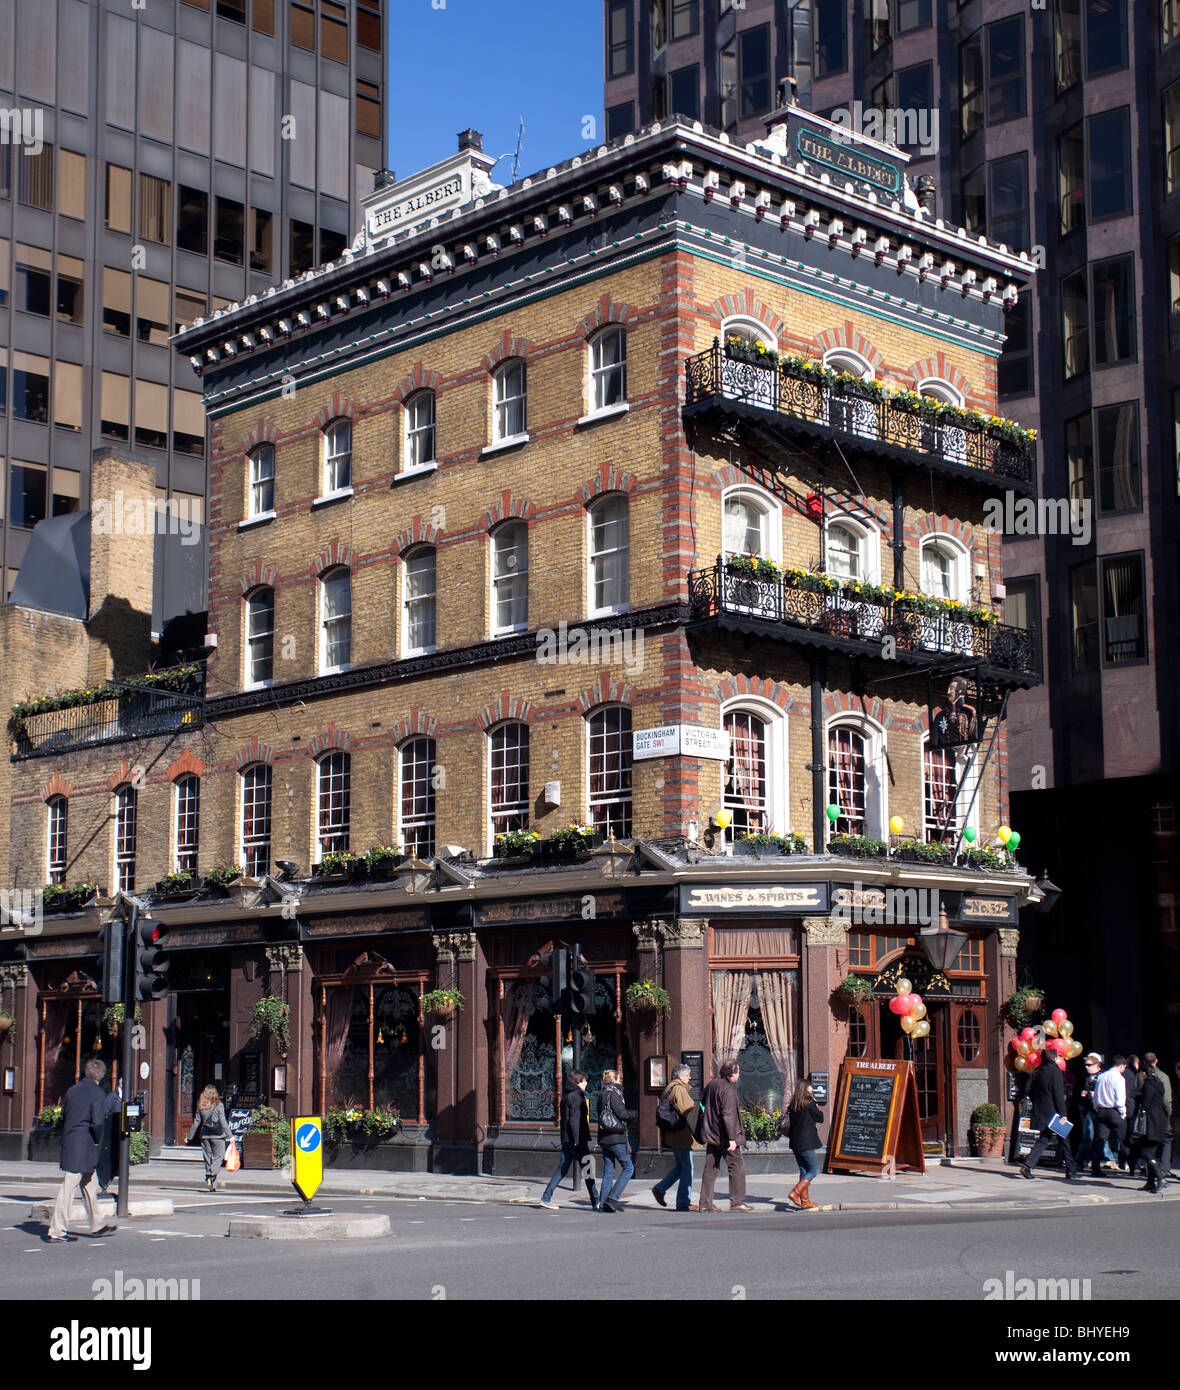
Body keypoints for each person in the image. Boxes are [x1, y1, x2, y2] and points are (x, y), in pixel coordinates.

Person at [47, 1057, 118, 1242]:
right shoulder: (97, 1093)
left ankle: (97, 1224)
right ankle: (57, 1230)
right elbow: (98, 1122)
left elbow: (63, 1115)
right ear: (102, 1075)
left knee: (89, 1183)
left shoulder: (72, 1090)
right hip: (84, 1144)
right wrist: (98, 1142)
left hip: (71, 1142)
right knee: (69, 1187)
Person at [538, 1070, 599, 1211]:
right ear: (578, 1082)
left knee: (562, 1169)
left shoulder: (566, 1096)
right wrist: (577, 1140)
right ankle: (596, 1201)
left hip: (566, 1139)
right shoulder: (577, 1097)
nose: (586, 1083)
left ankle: (546, 1197)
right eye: (584, 1080)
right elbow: (574, 1120)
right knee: (588, 1171)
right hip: (577, 1140)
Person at [699, 1059, 753, 1212]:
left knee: (710, 1168)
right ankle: (737, 1202)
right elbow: (728, 1114)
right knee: (737, 1166)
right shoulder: (728, 1089)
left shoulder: (711, 1085)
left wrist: (707, 1124)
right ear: (731, 1073)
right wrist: (732, 1139)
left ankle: (705, 1203)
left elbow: (702, 1106)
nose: (739, 1075)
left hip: (712, 1134)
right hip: (725, 1136)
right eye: (738, 1072)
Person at [1019, 1057, 1079, 1181]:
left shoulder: (1036, 1071)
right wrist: (1063, 1114)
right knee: (1064, 1140)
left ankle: (1027, 1166)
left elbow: (1028, 1089)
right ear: (1054, 1058)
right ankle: (1070, 1171)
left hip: (1042, 1112)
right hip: (1055, 1114)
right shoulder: (1055, 1071)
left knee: (1043, 1140)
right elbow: (1058, 1094)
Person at [651, 1063, 700, 1212]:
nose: (690, 1078)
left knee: (681, 1167)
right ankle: (683, 1202)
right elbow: (688, 1109)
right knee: (687, 1168)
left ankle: (660, 1189)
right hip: (682, 1134)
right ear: (680, 1076)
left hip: (673, 1134)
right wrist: (702, 1108)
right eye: (687, 1075)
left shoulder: (669, 1088)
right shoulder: (679, 1089)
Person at [1129, 1052, 1171, 1194]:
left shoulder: (1148, 1085)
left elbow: (1145, 1105)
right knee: (1152, 1152)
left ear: (1144, 1074)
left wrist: (1139, 1097)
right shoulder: (1160, 1084)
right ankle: (1150, 1182)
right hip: (1160, 1122)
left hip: (1150, 1124)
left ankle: (1160, 1177)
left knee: (1146, 1153)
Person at [596, 1070, 636, 1212]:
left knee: (609, 1170)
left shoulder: (602, 1094)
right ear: (614, 1080)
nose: (621, 1080)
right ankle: (613, 1198)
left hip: (604, 1137)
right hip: (616, 1137)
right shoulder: (614, 1095)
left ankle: (602, 1203)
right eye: (619, 1078)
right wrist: (635, 1114)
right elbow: (622, 1114)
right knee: (628, 1167)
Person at [783, 1078, 824, 1210]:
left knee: (803, 1170)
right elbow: (820, 1118)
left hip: (795, 1142)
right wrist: (816, 1104)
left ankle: (805, 1201)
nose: (812, 1088)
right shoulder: (810, 1103)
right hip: (806, 1142)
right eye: (810, 1086)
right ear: (806, 1088)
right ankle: (795, 1192)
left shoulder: (794, 1104)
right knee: (814, 1170)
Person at [186, 1084, 233, 1191]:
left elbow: (196, 1123)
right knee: (218, 1157)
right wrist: (230, 1136)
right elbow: (223, 1121)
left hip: (205, 1135)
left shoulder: (201, 1106)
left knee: (208, 1159)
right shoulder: (219, 1105)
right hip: (218, 1135)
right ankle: (210, 1174)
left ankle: (212, 1185)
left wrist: (189, 1137)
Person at [1090, 1056, 1128, 1178]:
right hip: (1113, 1111)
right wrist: (1122, 1113)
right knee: (1124, 1137)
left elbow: (1096, 1096)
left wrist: (1096, 1107)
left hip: (1101, 1110)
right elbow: (1120, 1098)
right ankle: (1131, 1163)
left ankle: (1095, 1168)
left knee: (1100, 1140)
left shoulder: (1101, 1077)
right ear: (1121, 1066)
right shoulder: (1119, 1078)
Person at [97, 1079, 123, 1194]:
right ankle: (104, 1184)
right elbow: (106, 1113)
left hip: (120, 1133)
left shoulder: (124, 1096)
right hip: (110, 1132)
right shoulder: (112, 1097)